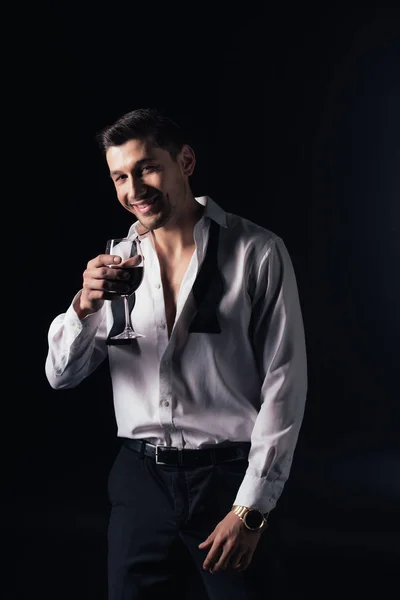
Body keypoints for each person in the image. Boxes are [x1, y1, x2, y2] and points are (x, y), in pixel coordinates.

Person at [45, 107, 308, 599]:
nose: (134, 189)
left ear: (184, 161)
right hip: (139, 482)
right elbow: (61, 375)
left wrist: (251, 509)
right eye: (120, 176)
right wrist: (83, 305)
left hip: (228, 478)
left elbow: (285, 386)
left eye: (146, 167)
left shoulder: (257, 251)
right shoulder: (115, 263)